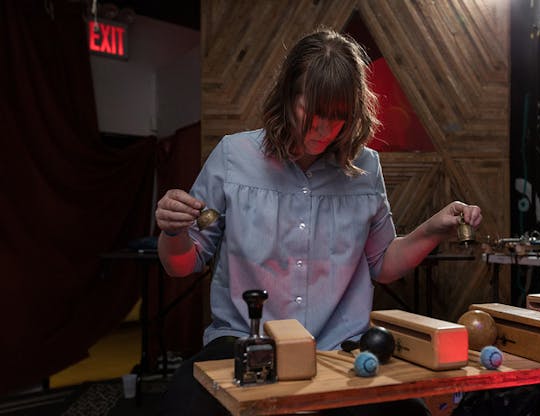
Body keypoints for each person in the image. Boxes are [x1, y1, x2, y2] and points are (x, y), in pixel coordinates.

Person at [155, 27, 482, 415]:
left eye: (337, 117)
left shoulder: (365, 167)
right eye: (310, 113)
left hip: (339, 350)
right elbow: (182, 264)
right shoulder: (233, 156)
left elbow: (384, 265)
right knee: (184, 404)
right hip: (245, 342)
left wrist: (432, 229)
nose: (323, 129)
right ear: (288, 96)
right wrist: (174, 231)